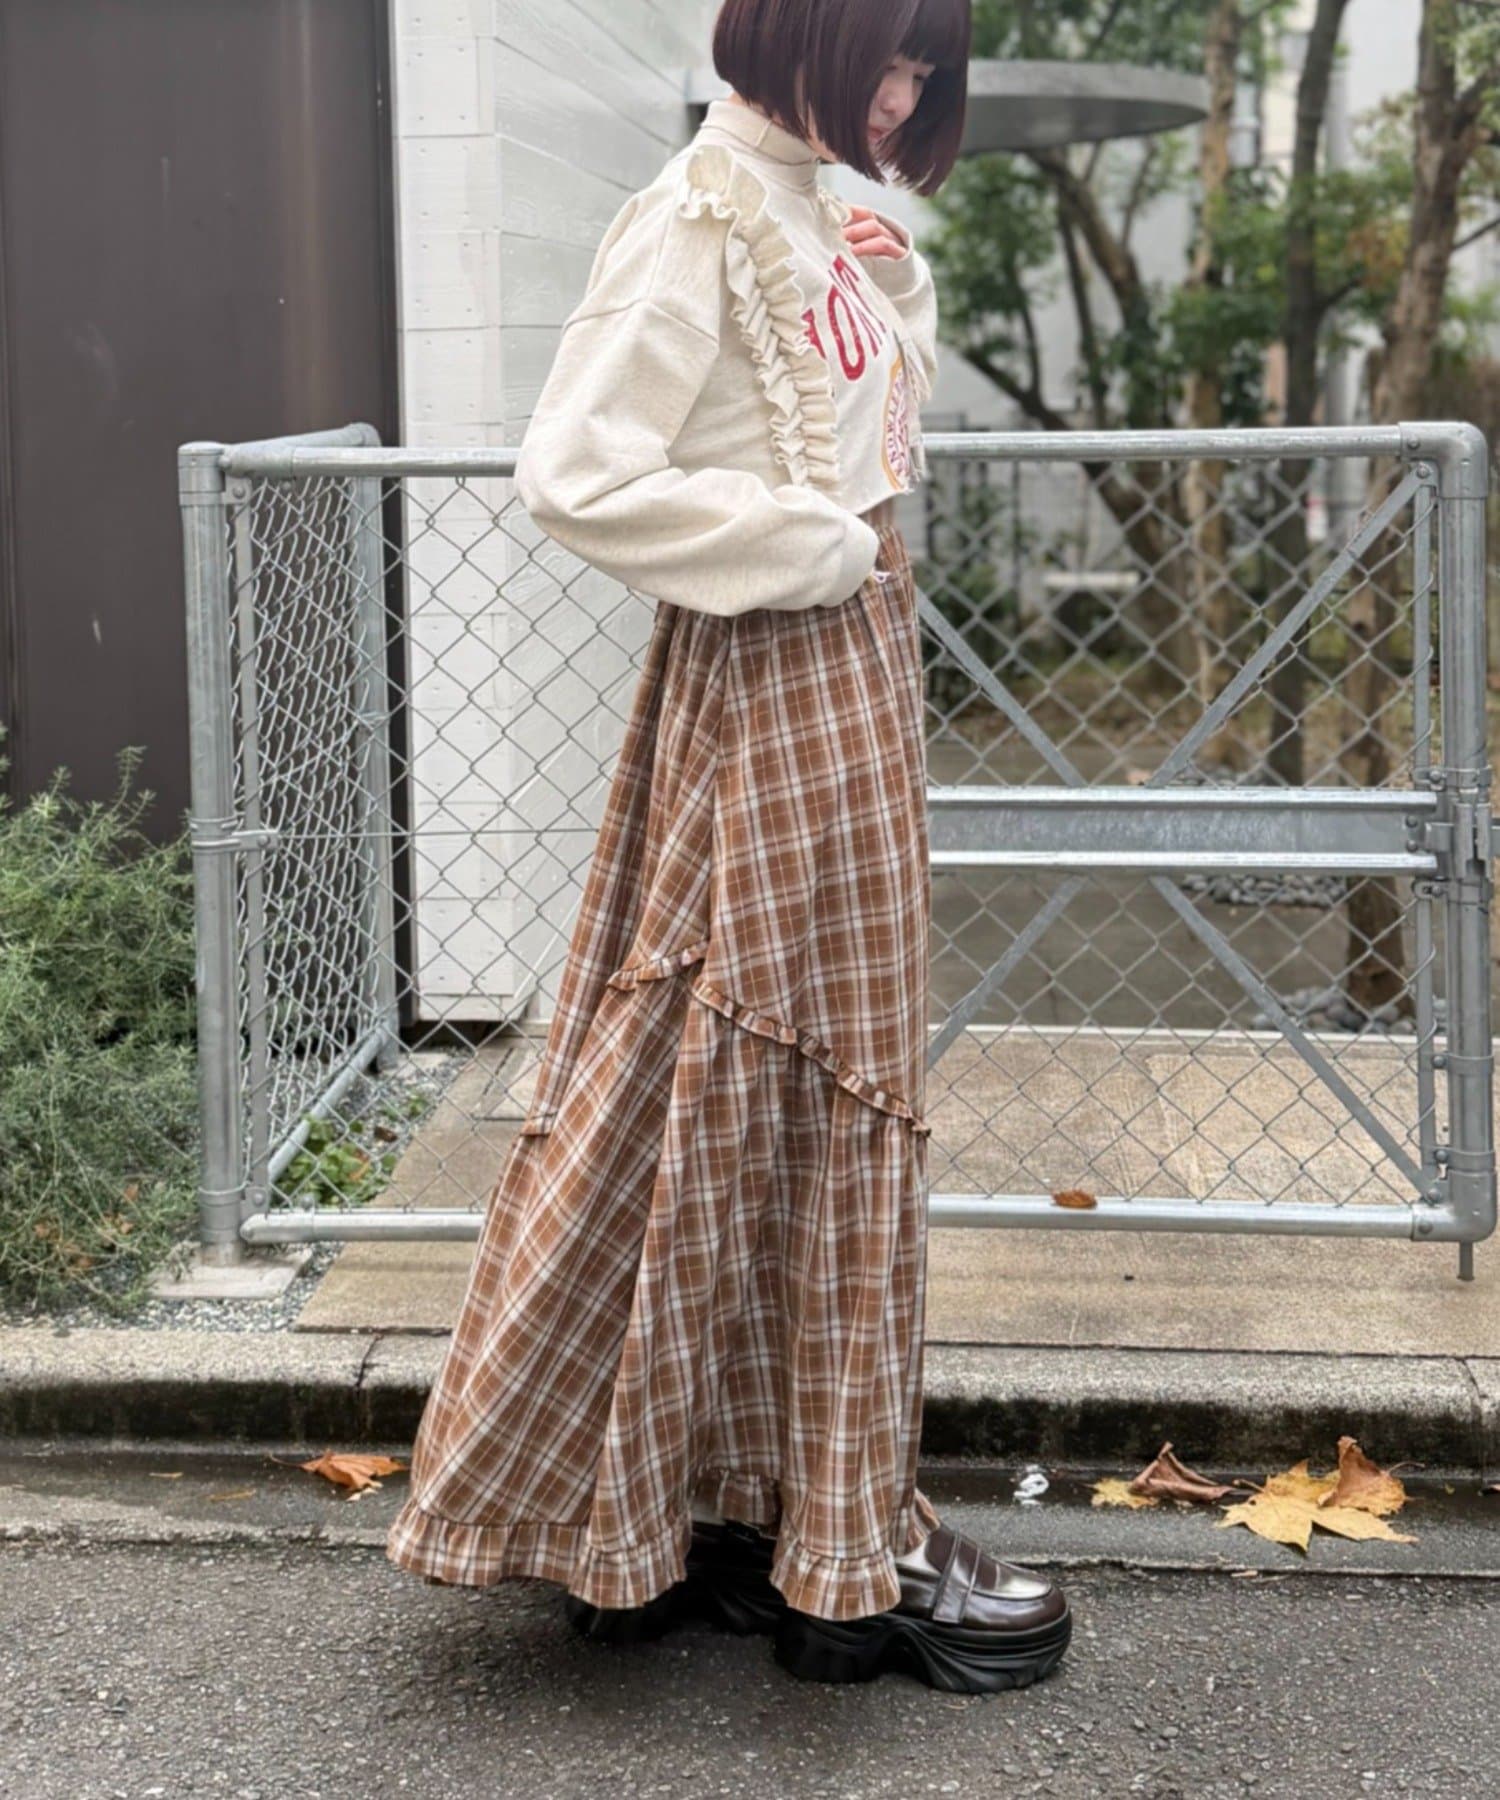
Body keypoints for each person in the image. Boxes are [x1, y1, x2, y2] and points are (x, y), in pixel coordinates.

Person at [386, 0, 1071, 1696]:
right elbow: (576, 471)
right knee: (786, 1070)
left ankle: (719, 1513)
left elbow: (855, 434)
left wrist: (894, 301)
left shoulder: (807, 208)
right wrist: (808, 546)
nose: (903, 96)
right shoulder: (697, 215)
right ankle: (826, 1543)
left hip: (844, 665)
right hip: (778, 668)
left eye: (925, 71)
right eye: (886, 59)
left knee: (760, 1077)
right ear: (795, 32)